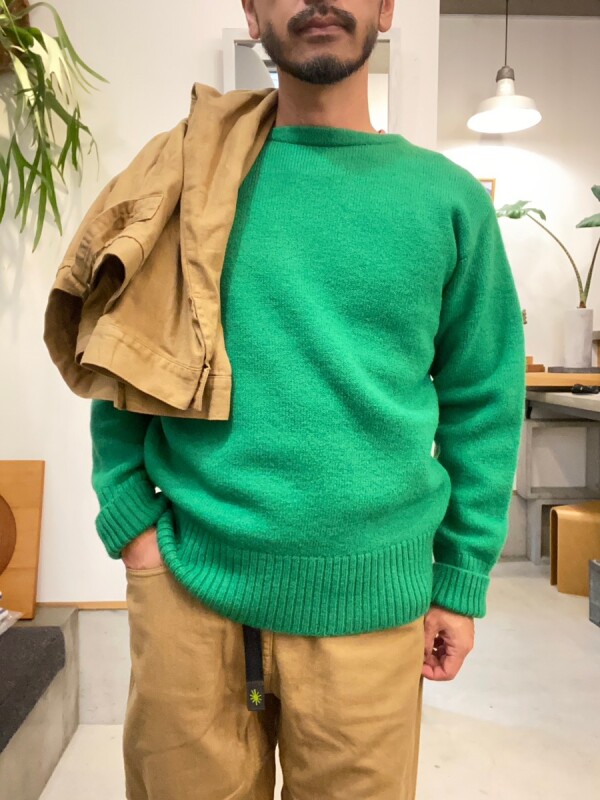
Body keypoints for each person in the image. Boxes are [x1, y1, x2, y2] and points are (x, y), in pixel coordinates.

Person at [89, 1, 526, 798]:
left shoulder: (448, 200)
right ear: (252, 11)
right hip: (189, 592)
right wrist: (132, 526)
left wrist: (460, 580)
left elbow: (483, 400)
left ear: (385, 7)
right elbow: (129, 353)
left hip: (374, 609)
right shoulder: (188, 178)